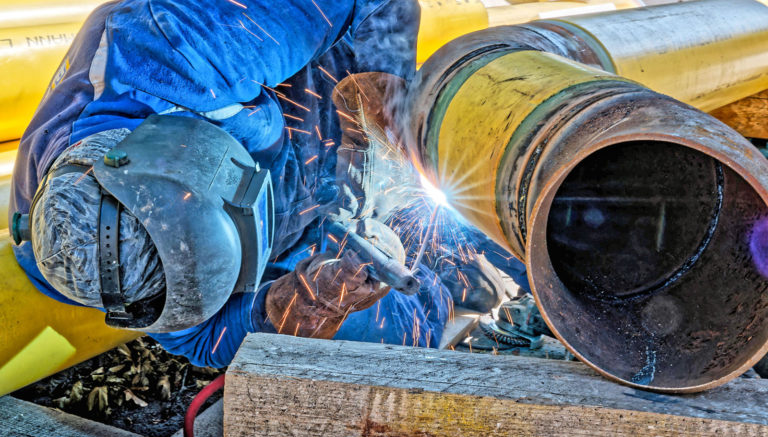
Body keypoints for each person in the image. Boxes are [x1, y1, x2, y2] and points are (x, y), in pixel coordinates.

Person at [10, 0, 529, 368]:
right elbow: (199, 337)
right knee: (395, 342)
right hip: (283, 216)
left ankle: (466, 251)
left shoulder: (188, 47)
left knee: (463, 181)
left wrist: (379, 111)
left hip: (311, 93)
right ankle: (439, 277)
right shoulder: (82, 255)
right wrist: (284, 306)